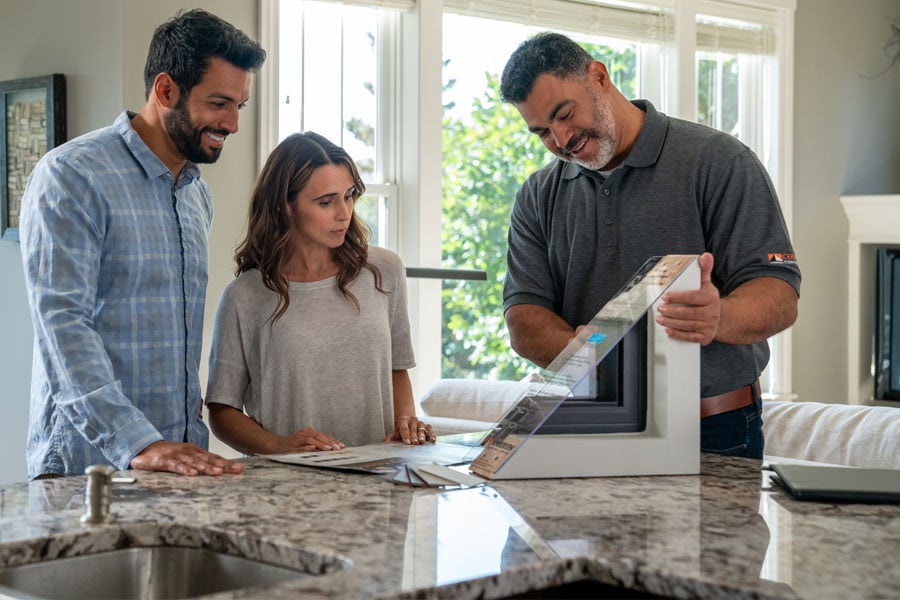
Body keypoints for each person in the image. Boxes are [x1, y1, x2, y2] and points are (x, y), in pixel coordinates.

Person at [498, 32, 800, 458]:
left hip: (712, 429)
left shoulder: (721, 162)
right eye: (542, 132)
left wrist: (719, 317)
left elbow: (780, 295)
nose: (561, 140)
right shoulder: (537, 195)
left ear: (598, 76)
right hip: (587, 426)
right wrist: (579, 353)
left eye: (564, 114)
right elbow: (524, 317)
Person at [19, 9, 266, 479]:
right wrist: (138, 442)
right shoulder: (71, 176)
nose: (232, 123)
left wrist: (174, 443)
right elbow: (62, 327)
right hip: (87, 468)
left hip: (180, 462)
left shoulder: (197, 194)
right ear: (165, 89)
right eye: (219, 103)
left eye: (240, 106)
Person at [205, 132, 434, 455]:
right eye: (326, 202)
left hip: (380, 481)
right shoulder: (245, 296)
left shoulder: (384, 271)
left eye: (349, 195)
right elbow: (222, 411)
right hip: (286, 490)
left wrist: (406, 421)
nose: (344, 213)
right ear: (286, 206)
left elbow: (397, 369)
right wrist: (280, 445)